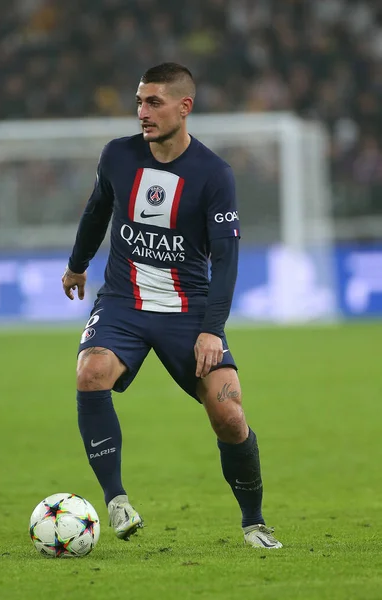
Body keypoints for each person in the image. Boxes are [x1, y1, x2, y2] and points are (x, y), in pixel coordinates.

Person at [62, 62, 282, 549]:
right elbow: (97, 209)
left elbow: (226, 260)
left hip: (189, 310)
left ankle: (254, 522)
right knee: (90, 372)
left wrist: (212, 329)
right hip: (123, 301)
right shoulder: (118, 156)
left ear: (185, 107)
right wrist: (78, 264)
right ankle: (116, 500)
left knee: (228, 412)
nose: (143, 112)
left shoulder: (213, 174)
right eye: (139, 101)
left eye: (154, 102)